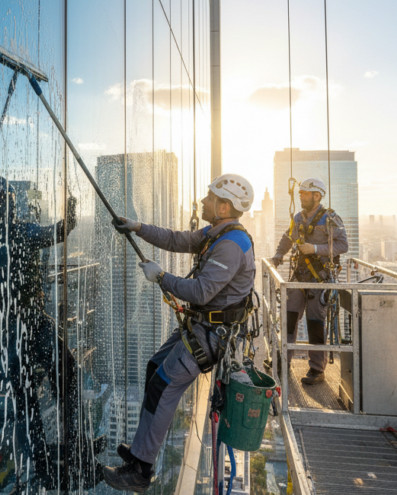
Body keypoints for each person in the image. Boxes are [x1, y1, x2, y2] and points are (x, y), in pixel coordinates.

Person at [102, 174, 257, 493]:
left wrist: (161, 276)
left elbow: (199, 292)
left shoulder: (231, 245)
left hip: (212, 334)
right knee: (153, 371)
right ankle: (138, 454)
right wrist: (138, 228)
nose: (203, 201)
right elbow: (177, 240)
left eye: (210, 197)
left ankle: (141, 471)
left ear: (224, 206)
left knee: (162, 384)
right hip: (201, 326)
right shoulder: (217, 233)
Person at [0, 175, 103, 489]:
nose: (8, 203)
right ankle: (73, 448)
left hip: (11, 326)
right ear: (8, 202)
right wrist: (71, 210)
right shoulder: (18, 230)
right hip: (31, 321)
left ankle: (47, 463)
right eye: (6, 199)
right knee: (64, 381)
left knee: (29, 402)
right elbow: (60, 232)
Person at [270, 178, 348, 386]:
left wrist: (315, 249)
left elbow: (342, 245)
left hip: (318, 279)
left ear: (317, 195)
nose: (301, 196)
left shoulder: (330, 218)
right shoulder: (298, 217)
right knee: (289, 320)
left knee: (315, 324)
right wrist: (278, 256)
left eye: (305, 193)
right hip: (299, 277)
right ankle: (283, 362)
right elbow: (288, 237)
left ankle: (316, 369)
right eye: (301, 193)